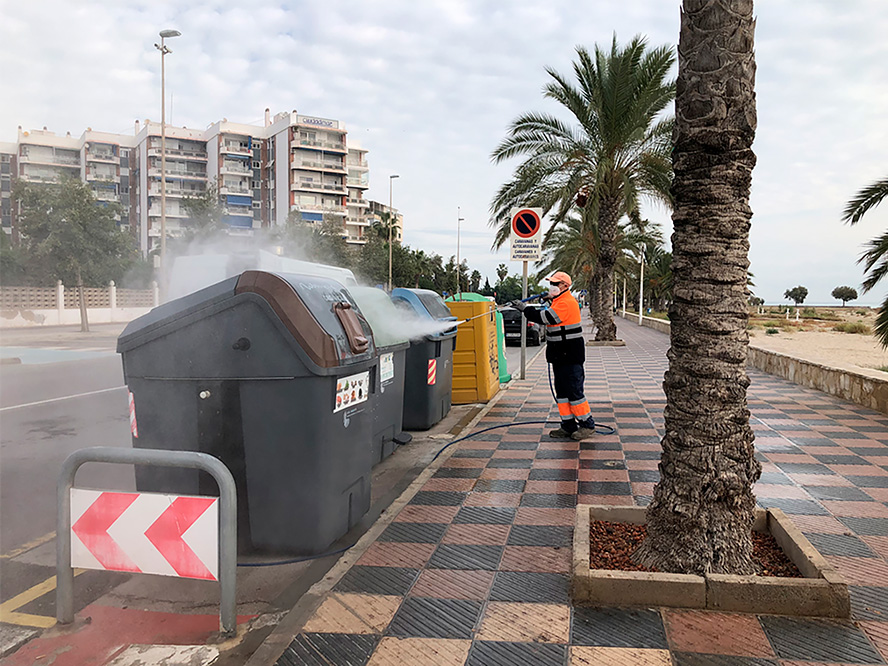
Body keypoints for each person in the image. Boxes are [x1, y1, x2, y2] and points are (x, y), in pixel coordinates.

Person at [511, 271, 595, 440]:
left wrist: (525, 308)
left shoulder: (567, 302)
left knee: (574, 391)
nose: (552, 287)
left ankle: (587, 425)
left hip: (570, 354)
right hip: (559, 354)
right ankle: (568, 425)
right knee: (562, 392)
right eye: (551, 283)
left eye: (555, 284)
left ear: (565, 286)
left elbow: (546, 317)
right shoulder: (558, 301)